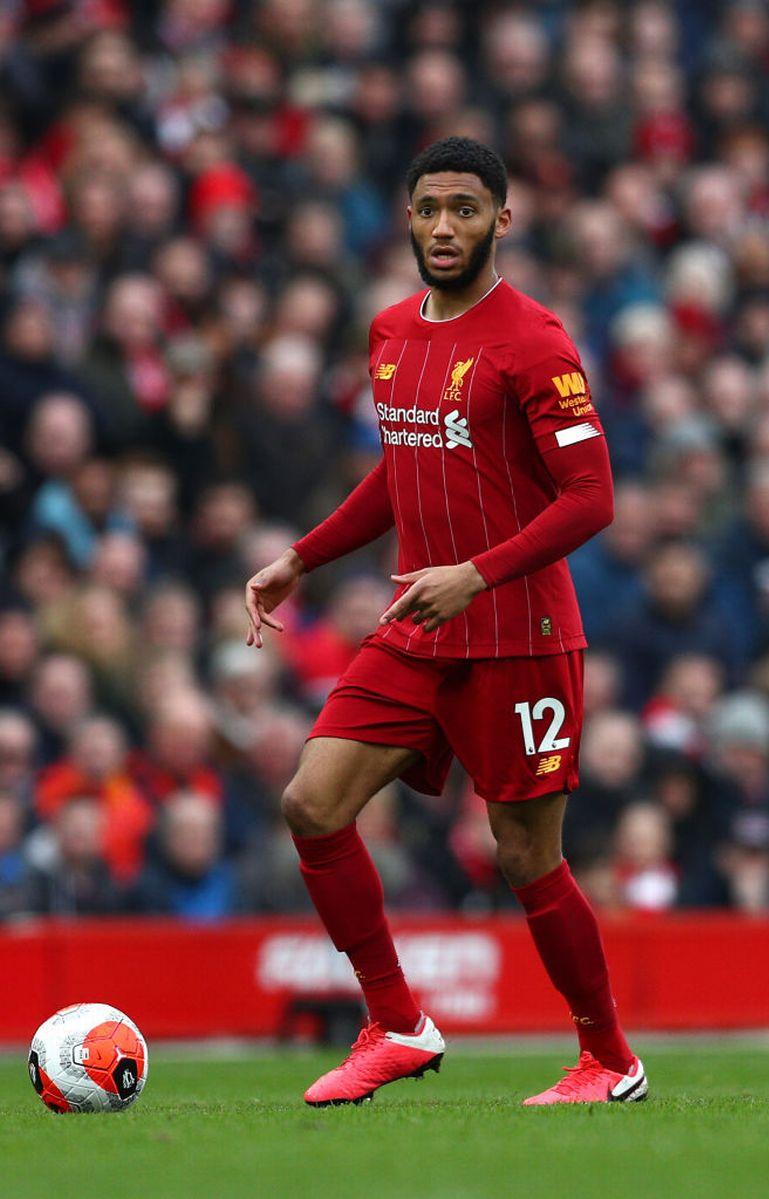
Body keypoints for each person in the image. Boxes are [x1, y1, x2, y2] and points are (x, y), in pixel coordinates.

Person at [244, 137, 646, 1107]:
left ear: (501, 219)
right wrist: (302, 557)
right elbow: (404, 469)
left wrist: (477, 572)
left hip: (518, 633)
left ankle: (608, 1059)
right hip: (421, 625)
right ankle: (396, 1023)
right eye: (428, 208)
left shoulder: (535, 341)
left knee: (525, 856)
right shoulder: (390, 332)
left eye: (464, 208)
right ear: (407, 218)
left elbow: (591, 496)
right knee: (312, 804)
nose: (443, 226)